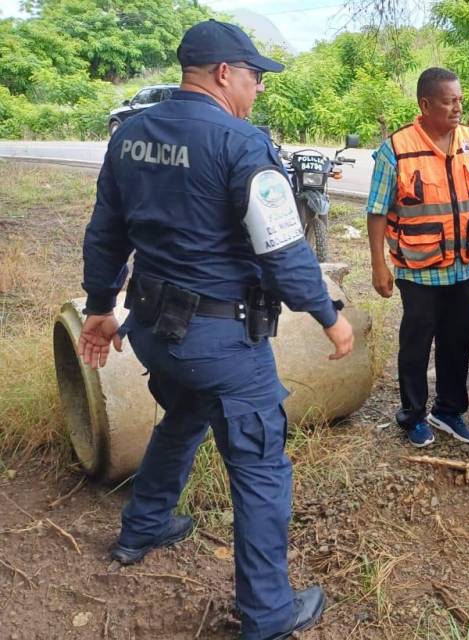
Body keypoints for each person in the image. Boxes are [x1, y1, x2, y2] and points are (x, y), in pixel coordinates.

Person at [77, 19, 353, 640]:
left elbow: (105, 231)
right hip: (221, 342)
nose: (257, 89)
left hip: (151, 328)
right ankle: (268, 614)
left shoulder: (131, 136)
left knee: (184, 416)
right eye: (254, 76)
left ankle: (143, 527)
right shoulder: (242, 143)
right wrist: (329, 315)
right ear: (224, 73)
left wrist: (100, 305)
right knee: (259, 468)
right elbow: (282, 248)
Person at [366, 67, 469, 448]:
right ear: (425, 104)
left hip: (465, 265)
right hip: (418, 270)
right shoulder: (397, 148)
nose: (457, 107)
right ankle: (413, 414)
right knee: (416, 344)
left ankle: (449, 410)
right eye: (448, 101)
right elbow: (376, 209)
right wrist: (378, 264)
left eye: (460, 100)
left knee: (459, 341)